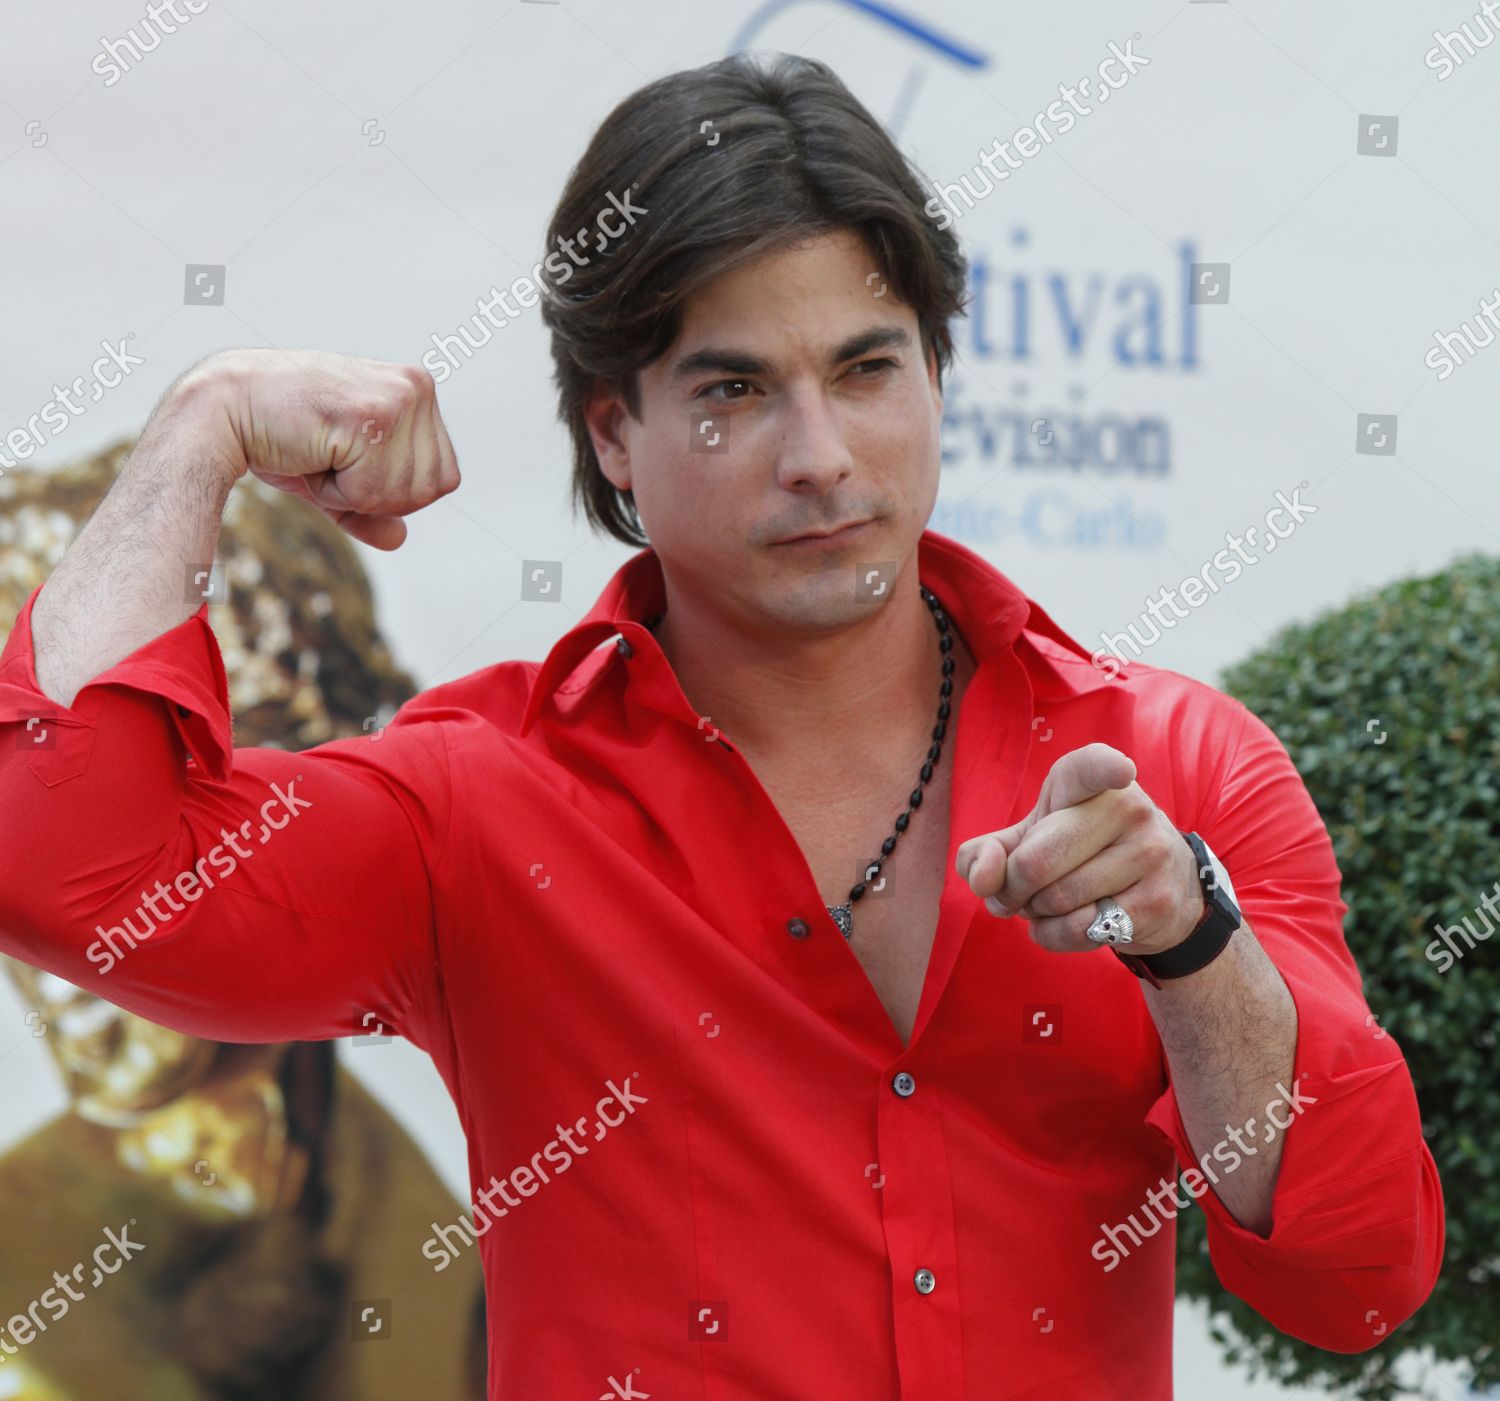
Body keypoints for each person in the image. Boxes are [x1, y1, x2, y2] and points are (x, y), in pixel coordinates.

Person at [0, 51, 1441, 1400]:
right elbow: (70, 870)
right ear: (611, 431)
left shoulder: (1173, 767)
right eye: (735, 391)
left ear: (939, 374)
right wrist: (199, 428)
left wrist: (1191, 942)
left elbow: (1361, 1273)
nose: (819, 457)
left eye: (868, 370)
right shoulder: (483, 801)